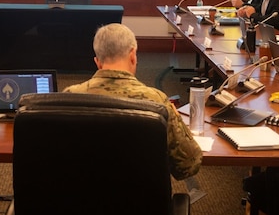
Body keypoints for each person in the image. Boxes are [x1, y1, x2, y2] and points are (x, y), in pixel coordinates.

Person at [63, 23, 202, 180]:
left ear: (97, 62)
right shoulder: (156, 101)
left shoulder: (69, 97)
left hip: (79, 200)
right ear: (133, 56)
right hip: (142, 202)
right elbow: (189, 165)